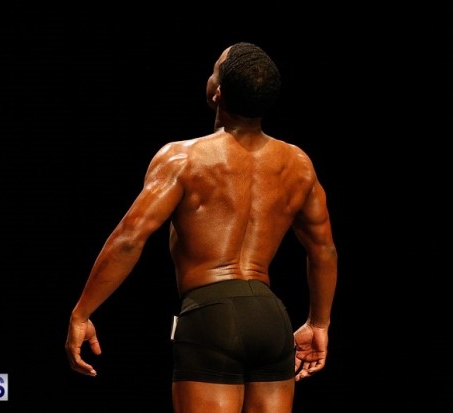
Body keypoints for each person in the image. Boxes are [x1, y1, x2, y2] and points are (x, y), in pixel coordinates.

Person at [65, 42, 338, 412]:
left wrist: (82, 312)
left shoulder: (183, 158)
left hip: (211, 315)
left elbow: (130, 238)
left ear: (217, 92)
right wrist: (319, 323)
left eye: (214, 70)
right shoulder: (299, 164)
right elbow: (323, 250)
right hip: (271, 318)